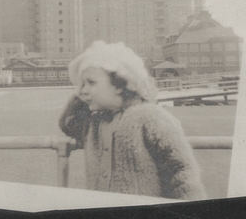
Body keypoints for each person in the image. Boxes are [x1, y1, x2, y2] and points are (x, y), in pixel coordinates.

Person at [59, 41, 207, 200]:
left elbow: (182, 172)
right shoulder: (94, 123)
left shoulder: (151, 117)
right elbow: (68, 122)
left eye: (91, 82)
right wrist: (83, 94)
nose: (83, 90)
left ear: (119, 85)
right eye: (82, 84)